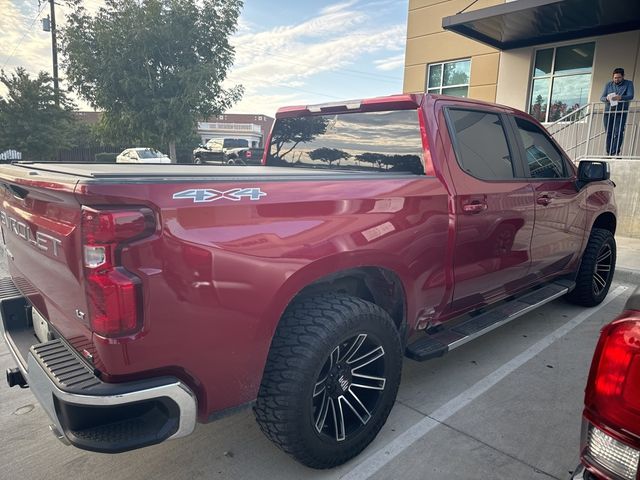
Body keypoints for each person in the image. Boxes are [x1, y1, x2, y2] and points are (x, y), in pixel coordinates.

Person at [600, 67, 635, 156]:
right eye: (615, 78)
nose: (616, 79)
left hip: (620, 112)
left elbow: (631, 96)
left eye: (618, 78)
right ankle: (609, 153)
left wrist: (621, 97)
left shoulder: (628, 83)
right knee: (609, 133)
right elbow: (601, 98)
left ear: (623, 76)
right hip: (608, 112)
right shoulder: (608, 84)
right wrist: (607, 98)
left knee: (618, 132)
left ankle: (615, 153)